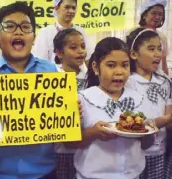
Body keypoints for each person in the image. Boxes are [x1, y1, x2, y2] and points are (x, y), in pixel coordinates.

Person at [0, 2, 61, 179]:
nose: (18, 31)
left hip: (43, 173)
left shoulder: (50, 72)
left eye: (25, 27)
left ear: (33, 36)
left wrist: (71, 112)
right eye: (9, 26)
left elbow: (63, 120)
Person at [66, 37, 155, 179]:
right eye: (111, 65)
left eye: (125, 65)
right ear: (96, 68)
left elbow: (145, 145)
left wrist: (149, 133)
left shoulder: (139, 99)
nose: (119, 72)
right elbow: (69, 144)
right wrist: (93, 133)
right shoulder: (82, 99)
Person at [125, 27, 172, 179]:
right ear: (134, 54)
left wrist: (164, 120)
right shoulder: (127, 82)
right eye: (151, 49)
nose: (158, 54)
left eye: (159, 48)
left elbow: (169, 119)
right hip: (132, 153)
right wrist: (161, 121)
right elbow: (128, 123)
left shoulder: (164, 82)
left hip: (159, 152)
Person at [53, 28, 87, 179]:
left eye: (83, 46)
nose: (80, 51)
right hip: (58, 150)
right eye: (73, 47)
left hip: (84, 148)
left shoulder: (91, 78)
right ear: (59, 53)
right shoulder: (51, 77)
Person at [32, 0, 92, 69]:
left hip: (78, 77)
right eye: (67, 7)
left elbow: (88, 58)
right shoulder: (45, 33)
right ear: (56, 8)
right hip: (54, 77)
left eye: (73, 8)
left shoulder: (81, 31)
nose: (71, 11)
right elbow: (40, 63)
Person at [139, 0, 169, 75]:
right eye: (153, 13)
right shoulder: (133, 34)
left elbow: (163, 64)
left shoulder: (162, 37)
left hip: (157, 79)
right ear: (145, 14)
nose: (157, 17)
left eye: (160, 14)